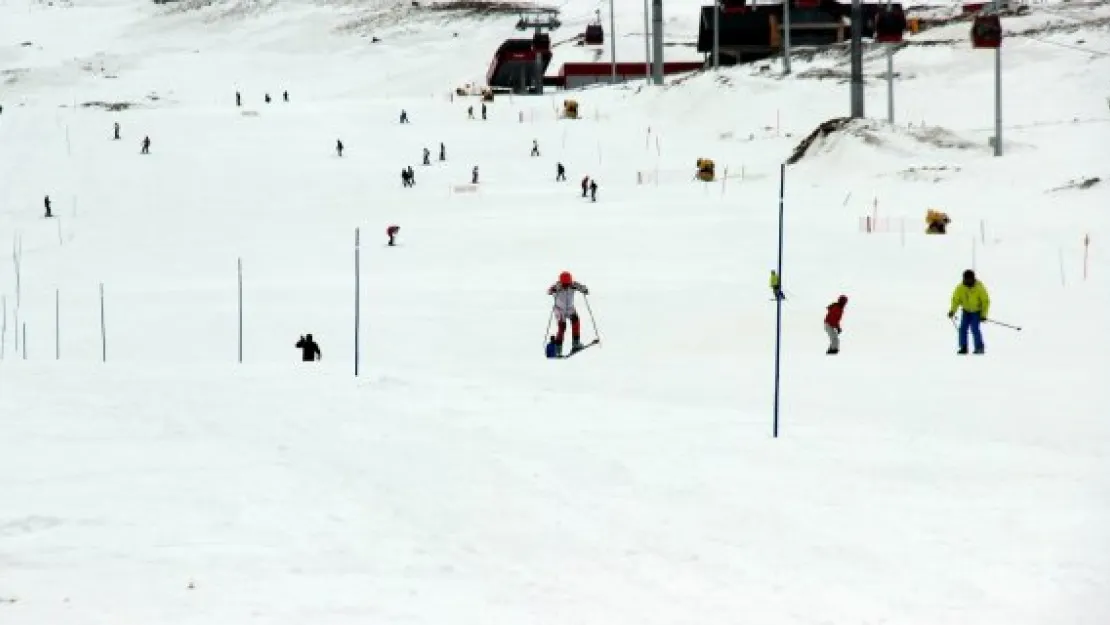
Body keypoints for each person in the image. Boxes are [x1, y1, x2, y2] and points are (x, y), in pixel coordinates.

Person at [948, 269, 990, 354]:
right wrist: (952, 310)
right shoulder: (960, 288)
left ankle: (979, 347)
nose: (967, 281)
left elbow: (985, 301)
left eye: (969, 279)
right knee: (962, 328)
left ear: (973, 278)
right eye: (966, 279)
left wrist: (983, 315)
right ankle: (963, 347)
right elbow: (956, 300)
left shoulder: (979, 288)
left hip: (976, 312)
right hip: (966, 311)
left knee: (974, 328)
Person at [547, 271, 589, 353]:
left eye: (568, 284)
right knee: (562, 327)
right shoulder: (557, 286)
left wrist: (584, 290)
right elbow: (549, 291)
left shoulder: (573, 285)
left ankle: (576, 344)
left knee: (576, 322)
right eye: (564, 284)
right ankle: (558, 349)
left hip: (570, 308)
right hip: (559, 310)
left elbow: (583, 288)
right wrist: (553, 289)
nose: (566, 286)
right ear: (561, 282)